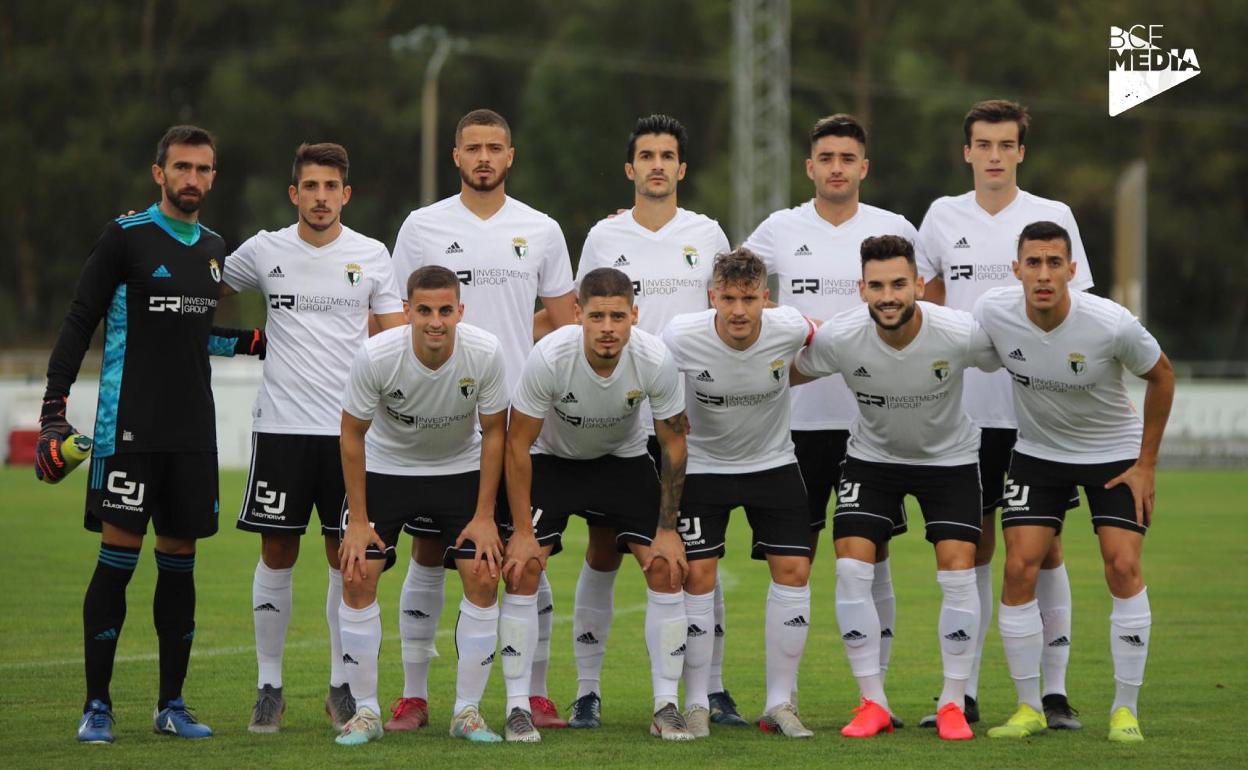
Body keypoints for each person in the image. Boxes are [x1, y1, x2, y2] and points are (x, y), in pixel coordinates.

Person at [37, 125, 263, 743]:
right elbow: (81, 320)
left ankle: (172, 706)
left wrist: (263, 342)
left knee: (179, 568)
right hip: (128, 432)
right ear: (158, 172)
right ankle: (97, 707)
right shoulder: (125, 236)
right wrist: (52, 413)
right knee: (116, 565)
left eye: (204, 169)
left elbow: (197, 331)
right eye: (182, 167)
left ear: (214, 177)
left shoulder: (215, 246)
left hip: (192, 437)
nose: (194, 179)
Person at [387, 108, 577, 731]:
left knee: (526, 553)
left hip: (520, 421)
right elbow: (396, 319)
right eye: (474, 148)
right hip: (441, 418)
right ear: (457, 156)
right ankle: (415, 694)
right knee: (427, 549)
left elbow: (565, 319)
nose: (485, 158)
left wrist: (522, 359)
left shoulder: (542, 229)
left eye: (496, 147)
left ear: (511, 156)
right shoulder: (422, 226)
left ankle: (534, 691)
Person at [916, 99, 1094, 728]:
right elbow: (922, 302)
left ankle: (1053, 693)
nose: (993, 156)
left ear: (1021, 151)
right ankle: (959, 691)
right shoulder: (940, 217)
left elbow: (1080, 317)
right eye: (982, 145)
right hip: (963, 416)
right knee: (972, 548)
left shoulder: (1053, 217)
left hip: (1035, 418)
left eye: (1005, 145)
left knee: (1043, 550)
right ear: (967, 151)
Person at [220, 143, 406, 733]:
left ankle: (341, 687)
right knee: (276, 551)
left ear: (345, 194)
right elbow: (205, 289)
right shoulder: (264, 250)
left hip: (351, 435)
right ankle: (268, 687)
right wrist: (232, 343)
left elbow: (393, 337)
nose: (321, 196)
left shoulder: (372, 255)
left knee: (346, 560)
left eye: (332, 186)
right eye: (311, 186)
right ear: (294, 193)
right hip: (280, 429)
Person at [562, 114, 739, 729]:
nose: (657, 164)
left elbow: (726, 315)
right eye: (647, 155)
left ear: (681, 169)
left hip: (684, 420)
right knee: (603, 549)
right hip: (613, 418)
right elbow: (578, 321)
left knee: (697, 550)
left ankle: (709, 690)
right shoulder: (603, 237)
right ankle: (587, 691)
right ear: (630, 168)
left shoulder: (708, 233)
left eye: (668, 155)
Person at [743, 114, 920, 720]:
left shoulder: (894, 229)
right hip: (793, 423)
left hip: (874, 425)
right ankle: (782, 699)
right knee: (794, 557)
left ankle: (877, 696)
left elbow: (928, 303)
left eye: (848, 157)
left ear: (863, 167)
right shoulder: (777, 230)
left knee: (875, 557)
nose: (837, 167)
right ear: (810, 167)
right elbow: (729, 285)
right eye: (827, 157)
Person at [793, 235, 999, 741]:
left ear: (919, 286)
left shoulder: (959, 332)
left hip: (949, 460)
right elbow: (783, 372)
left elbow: (1017, 359)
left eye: (899, 284)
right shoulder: (841, 336)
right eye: (878, 285)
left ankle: (953, 701)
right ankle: (873, 701)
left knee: (958, 570)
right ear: (862, 288)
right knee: (850, 563)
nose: (889, 295)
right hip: (872, 460)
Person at [974, 221, 1173, 742]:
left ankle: (1124, 710)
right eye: (1033, 263)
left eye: (1053, 263)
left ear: (1072, 270)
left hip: (1114, 454)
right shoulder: (994, 312)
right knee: (1018, 566)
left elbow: (1162, 376)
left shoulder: (1112, 324)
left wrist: (1146, 463)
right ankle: (1028, 706)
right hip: (1039, 453)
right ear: (1016, 269)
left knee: (1123, 565)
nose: (1043, 275)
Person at [503, 267, 695, 741]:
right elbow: (517, 444)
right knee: (524, 567)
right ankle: (516, 707)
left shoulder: (653, 358)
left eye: (617, 316)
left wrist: (668, 529)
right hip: (555, 460)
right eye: (597, 316)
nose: (607, 327)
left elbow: (673, 444)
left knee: (667, 568)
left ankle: (666, 706)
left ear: (634, 315)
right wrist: (523, 531)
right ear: (577, 315)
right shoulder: (549, 356)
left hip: (622, 460)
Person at [334, 265, 511, 745]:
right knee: (357, 571)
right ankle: (366, 713)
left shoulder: (485, 352)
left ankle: (467, 712)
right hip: (389, 469)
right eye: (425, 310)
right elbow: (352, 434)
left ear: (460, 311)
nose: (436, 321)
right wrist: (358, 521)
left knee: (483, 570)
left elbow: (495, 432)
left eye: (446, 310)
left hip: (458, 469)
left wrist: (483, 516)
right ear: (407, 311)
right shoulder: (376, 355)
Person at [662, 249, 817, 739]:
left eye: (749, 299)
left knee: (794, 571)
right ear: (712, 296)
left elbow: (824, 336)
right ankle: (696, 703)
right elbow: (650, 376)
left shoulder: (789, 326)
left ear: (766, 299)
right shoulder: (681, 336)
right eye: (727, 298)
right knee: (698, 577)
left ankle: (780, 703)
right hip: (704, 469)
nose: (738, 311)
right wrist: (667, 414)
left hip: (774, 463)